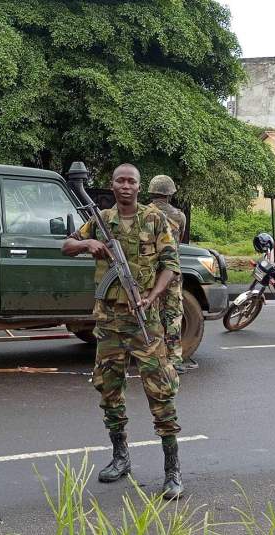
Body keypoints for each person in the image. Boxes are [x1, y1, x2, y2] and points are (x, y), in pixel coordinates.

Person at [62, 164, 184, 499]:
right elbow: (65, 246)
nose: (126, 186)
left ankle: (172, 469)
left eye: (131, 181)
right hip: (109, 323)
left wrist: (151, 296)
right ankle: (120, 456)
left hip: (145, 321)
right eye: (120, 181)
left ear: (139, 187)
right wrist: (89, 244)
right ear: (112, 185)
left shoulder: (154, 220)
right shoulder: (102, 220)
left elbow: (171, 265)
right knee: (108, 389)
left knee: (160, 392)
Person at [147, 174, 195, 373]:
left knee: (153, 316)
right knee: (174, 315)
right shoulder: (179, 216)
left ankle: (153, 358)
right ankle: (174, 361)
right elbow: (179, 241)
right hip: (172, 272)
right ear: (170, 193)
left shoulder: (143, 214)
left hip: (150, 273)